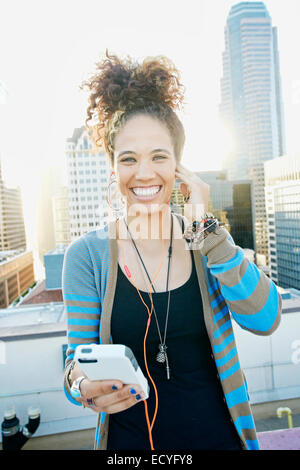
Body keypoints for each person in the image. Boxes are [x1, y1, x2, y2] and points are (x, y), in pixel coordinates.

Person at [62, 50, 282, 451]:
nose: (144, 173)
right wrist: (81, 385)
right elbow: (76, 364)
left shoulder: (205, 244)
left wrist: (207, 231)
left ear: (179, 166)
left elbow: (266, 319)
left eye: (158, 156)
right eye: (128, 159)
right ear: (114, 170)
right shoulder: (87, 257)